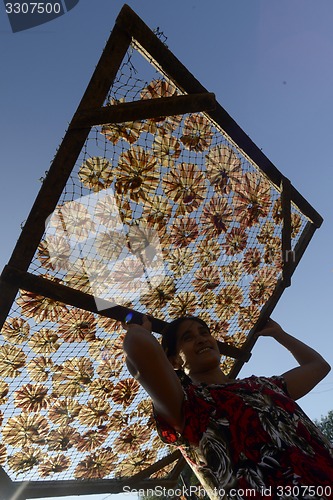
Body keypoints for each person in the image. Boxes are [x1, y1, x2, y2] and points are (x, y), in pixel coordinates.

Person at [122, 315, 333, 499]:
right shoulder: (185, 403)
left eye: (204, 332)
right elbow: (137, 346)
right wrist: (139, 330)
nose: (201, 338)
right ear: (174, 361)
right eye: (188, 337)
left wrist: (280, 334)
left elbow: (318, 366)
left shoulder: (263, 386)